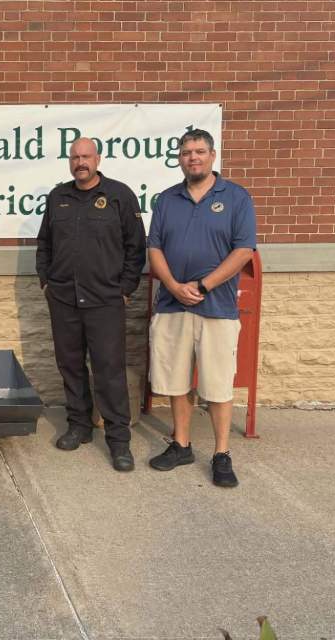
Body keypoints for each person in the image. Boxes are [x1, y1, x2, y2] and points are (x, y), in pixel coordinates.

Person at [146, 128, 256, 488]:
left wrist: (204, 285)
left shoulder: (236, 198)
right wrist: (174, 287)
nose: (193, 157)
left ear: (212, 156)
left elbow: (243, 251)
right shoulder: (166, 200)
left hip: (217, 307)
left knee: (218, 384)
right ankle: (181, 444)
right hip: (172, 305)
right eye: (186, 152)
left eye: (199, 151)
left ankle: (221, 454)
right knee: (175, 380)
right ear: (180, 158)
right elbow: (155, 249)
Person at [36, 137, 146, 471]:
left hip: (105, 301)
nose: (80, 162)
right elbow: (44, 244)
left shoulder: (118, 196)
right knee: (69, 364)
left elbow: (135, 247)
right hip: (64, 299)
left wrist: (125, 289)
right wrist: (47, 282)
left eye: (86, 156)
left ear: (98, 159)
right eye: (74, 157)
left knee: (109, 371)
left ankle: (118, 441)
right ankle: (79, 425)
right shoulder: (59, 197)